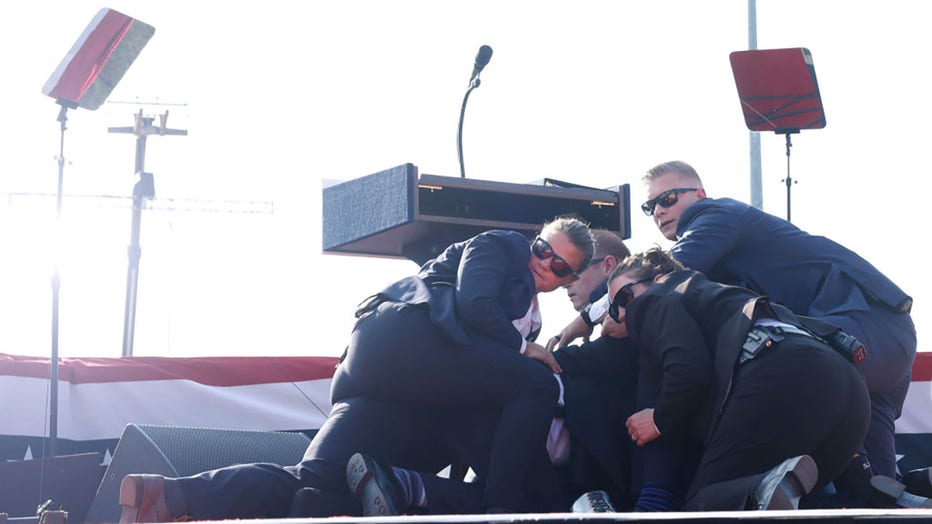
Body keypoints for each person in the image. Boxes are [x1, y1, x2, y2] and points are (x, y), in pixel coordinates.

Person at [118, 216, 595, 521]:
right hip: (408, 345)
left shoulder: (531, 313)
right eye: (542, 247)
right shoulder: (504, 245)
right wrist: (524, 348)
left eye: (558, 266)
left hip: (398, 384)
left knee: (314, 483)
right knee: (535, 384)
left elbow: (477, 382)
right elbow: (473, 306)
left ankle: (172, 497)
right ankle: (500, 510)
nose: (543, 263)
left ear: (569, 279)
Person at [639, 160, 916, 505]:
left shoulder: (713, 214)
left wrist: (594, 311)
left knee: (790, 367)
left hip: (861, 327)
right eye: (649, 206)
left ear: (699, 194)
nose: (658, 212)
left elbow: (658, 275)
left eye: (667, 199)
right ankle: (913, 490)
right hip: (882, 343)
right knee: (877, 495)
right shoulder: (726, 249)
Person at [604, 247, 870, 511]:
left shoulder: (657, 295)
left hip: (782, 371)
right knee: (810, 507)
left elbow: (688, 368)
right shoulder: (716, 295)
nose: (625, 313)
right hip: (849, 385)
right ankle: (886, 497)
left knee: (706, 506)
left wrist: (660, 419)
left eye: (626, 297)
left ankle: (761, 489)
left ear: (659, 276)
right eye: (614, 310)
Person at [543, 230, 640, 509]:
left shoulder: (634, 308)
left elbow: (606, 356)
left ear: (608, 266)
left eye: (576, 269)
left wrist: (539, 357)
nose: (565, 281)